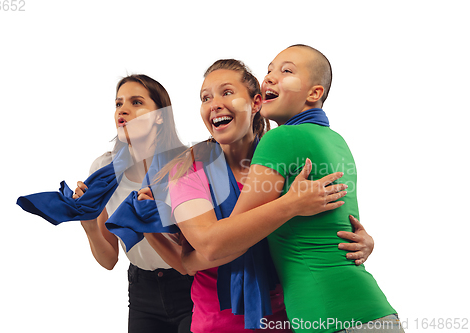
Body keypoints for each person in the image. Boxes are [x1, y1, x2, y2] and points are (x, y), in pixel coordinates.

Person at [144, 59, 375, 332]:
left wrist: (362, 241)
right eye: (205, 98)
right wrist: (290, 205)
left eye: (227, 92)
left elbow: (319, 225)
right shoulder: (187, 171)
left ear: (256, 103)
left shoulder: (282, 157)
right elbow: (208, 245)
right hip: (218, 325)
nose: (214, 103)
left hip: (293, 319)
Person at [72, 74, 194, 333]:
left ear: (160, 115)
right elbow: (109, 260)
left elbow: (200, 247)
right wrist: (89, 225)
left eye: (137, 102)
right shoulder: (103, 169)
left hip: (190, 287)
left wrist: (154, 220)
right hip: (142, 291)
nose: (123, 110)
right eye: (118, 104)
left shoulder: (187, 164)